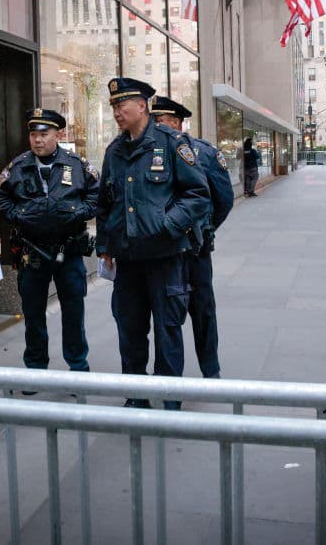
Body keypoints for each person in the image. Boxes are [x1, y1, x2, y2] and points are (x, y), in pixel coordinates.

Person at [96, 78, 210, 409]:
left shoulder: (172, 143)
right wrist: (104, 246)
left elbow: (198, 194)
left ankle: (169, 399)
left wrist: (168, 225)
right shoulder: (114, 152)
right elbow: (104, 203)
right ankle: (136, 396)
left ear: (142, 106)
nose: (117, 112)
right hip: (128, 261)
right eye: (113, 106)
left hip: (166, 257)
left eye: (122, 105)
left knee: (167, 329)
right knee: (130, 331)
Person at [0, 108, 99, 381]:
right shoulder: (17, 167)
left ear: (58, 135)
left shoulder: (77, 165)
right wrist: (18, 215)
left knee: (73, 313)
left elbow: (97, 195)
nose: (38, 140)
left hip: (69, 250)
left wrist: (79, 212)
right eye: (33, 134)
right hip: (32, 252)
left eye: (44, 134)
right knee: (33, 315)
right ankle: (36, 370)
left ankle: (78, 369)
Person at [150, 96, 234, 379]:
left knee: (203, 311)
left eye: (160, 121)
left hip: (196, 250)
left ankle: (210, 371)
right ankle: (169, 378)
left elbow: (224, 200)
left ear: (177, 123)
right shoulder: (149, 153)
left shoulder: (203, 152)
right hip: (163, 250)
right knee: (166, 316)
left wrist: (204, 229)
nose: (154, 126)